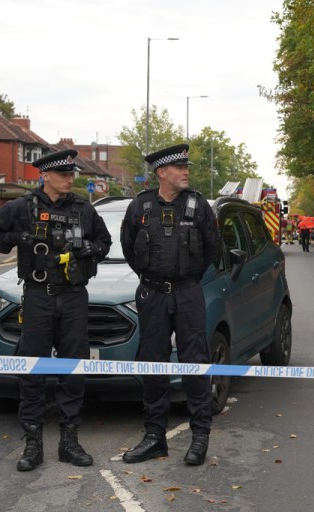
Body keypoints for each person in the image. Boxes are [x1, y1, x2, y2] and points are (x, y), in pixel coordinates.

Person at [0, 149, 112, 471]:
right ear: (46, 176)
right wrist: (21, 238)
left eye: (71, 174)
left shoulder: (83, 209)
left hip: (74, 297)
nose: (69, 179)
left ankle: (69, 441)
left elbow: (105, 243)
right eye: (63, 174)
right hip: (38, 296)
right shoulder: (23, 207)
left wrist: (87, 248)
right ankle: (33, 442)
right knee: (33, 369)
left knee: (73, 369)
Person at [120, 143, 220, 466]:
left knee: (195, 363)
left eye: (186, 166)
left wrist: (186, 279)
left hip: (188, 293)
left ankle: (200, 435)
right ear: (162, 172)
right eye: (179, 167)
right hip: (152, 294)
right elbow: (128, 247)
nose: (185, 172)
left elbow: (212, 248)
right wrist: (152, 277)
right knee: (154, 365)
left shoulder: (198, 206)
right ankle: (154, 437)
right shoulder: (140, 206)